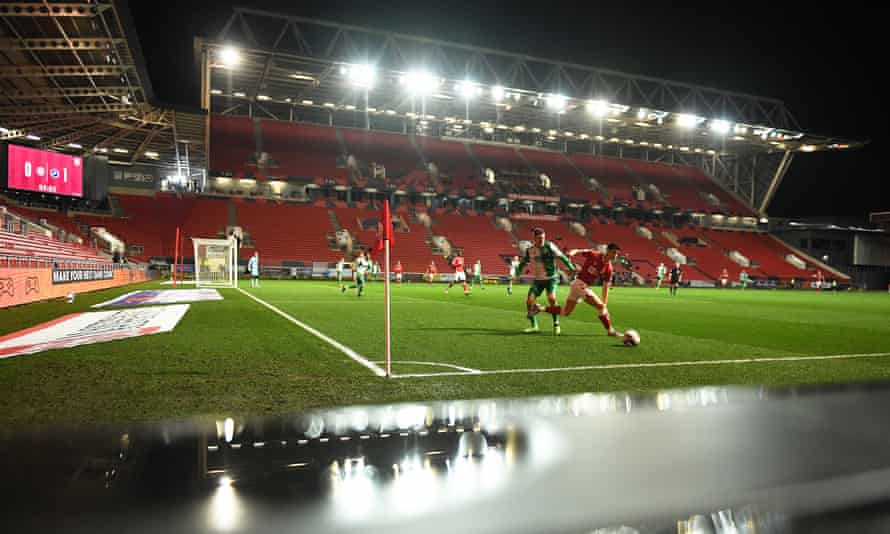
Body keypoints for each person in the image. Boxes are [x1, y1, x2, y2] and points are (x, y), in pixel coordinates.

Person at [530, 243, 622, 337]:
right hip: (580, 284)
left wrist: (605, 303)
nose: (615, 255)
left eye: (617, 253)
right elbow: (578, 250)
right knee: (600, 307)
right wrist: (571, 253)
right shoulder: (595, 254)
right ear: (608, 251)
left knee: (566, 312)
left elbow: (605, 286)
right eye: (614, 252)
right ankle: (610, 331)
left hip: (579, 286)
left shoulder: (609, 268)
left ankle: (540, 308)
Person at [516, 228, 576, 335]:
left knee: (552, 299)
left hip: (551, 279)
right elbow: (523, 263)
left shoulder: (549, 246)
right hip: (538, 280)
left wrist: (571, 267)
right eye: (539, 238)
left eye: (543, 238)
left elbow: (562, 257)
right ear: (534, 238)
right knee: (529, 301)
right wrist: (517, 273)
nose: (542, 240)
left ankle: (556, 324)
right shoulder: (530, 250)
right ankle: (534, 326)